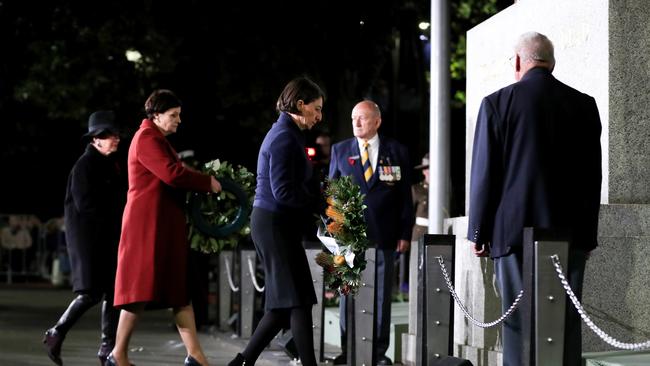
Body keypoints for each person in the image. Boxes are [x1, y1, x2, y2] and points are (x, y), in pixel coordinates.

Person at [467, 32, 601, 366]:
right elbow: (591, 176)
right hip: (569, 236)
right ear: (551, 63)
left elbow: (486, 176)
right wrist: (587, 236)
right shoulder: (584, 104)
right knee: (565, 327)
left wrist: (478, 231)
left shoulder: (497, 103)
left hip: (513, 235)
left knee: (518, 328)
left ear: (517, 61)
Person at [106, 90, 222, 366]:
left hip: (161, 226)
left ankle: (195, 356)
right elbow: (172, 174)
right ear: (156, 115)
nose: (179, 120)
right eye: (173, 115)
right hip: (147, 228)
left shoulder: (155, 138)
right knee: (138, 291)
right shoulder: (147, 138)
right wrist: (208, 182)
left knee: (178, 290)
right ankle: (117, 354)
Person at [227, 77, 324, 366]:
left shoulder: (289, 133)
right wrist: (319, 205)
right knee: (297, 299)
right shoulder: (284, 136)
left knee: (287, 302)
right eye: (316, 109)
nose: (319, 116)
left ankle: (243, 361)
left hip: (276, 224)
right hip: (273, 224)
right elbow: (283, 192)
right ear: (300, 104)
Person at [328, 100, 413, 365]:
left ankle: (377, 352)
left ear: (377, 121)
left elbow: (404, 198)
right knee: (348, 294)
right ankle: (348, 349)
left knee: (380, 297)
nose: (356, 123)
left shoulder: (396, 151)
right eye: (353, 118)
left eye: (362, 118)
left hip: (385, 235)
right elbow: (332, 196)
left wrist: (405, 233)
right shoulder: (340, 150)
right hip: (349, 240)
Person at [43, 110, 126, 366]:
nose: (115, 139)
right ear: (95, 139)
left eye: (115, 134)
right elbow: (85, 205)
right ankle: (57, 332)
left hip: (107, 237)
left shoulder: (109, 163)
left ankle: (106, 347)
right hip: (89, 240)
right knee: (90, 293)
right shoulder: (85, 165)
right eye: (108, 135)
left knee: (114, 292)